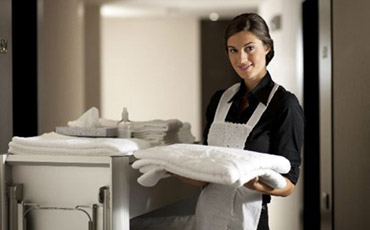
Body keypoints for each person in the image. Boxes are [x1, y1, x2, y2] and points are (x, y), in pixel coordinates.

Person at [173, 13, 304, 230]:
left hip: (250, 219)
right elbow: (209, 169)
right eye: (233, 50)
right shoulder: (220, 100)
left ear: (267, 48)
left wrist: (257, 184)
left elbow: (289, 184)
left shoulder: (285, 104)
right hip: (207, 216)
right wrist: (183, 172)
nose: (241, 59)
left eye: (249, 48)